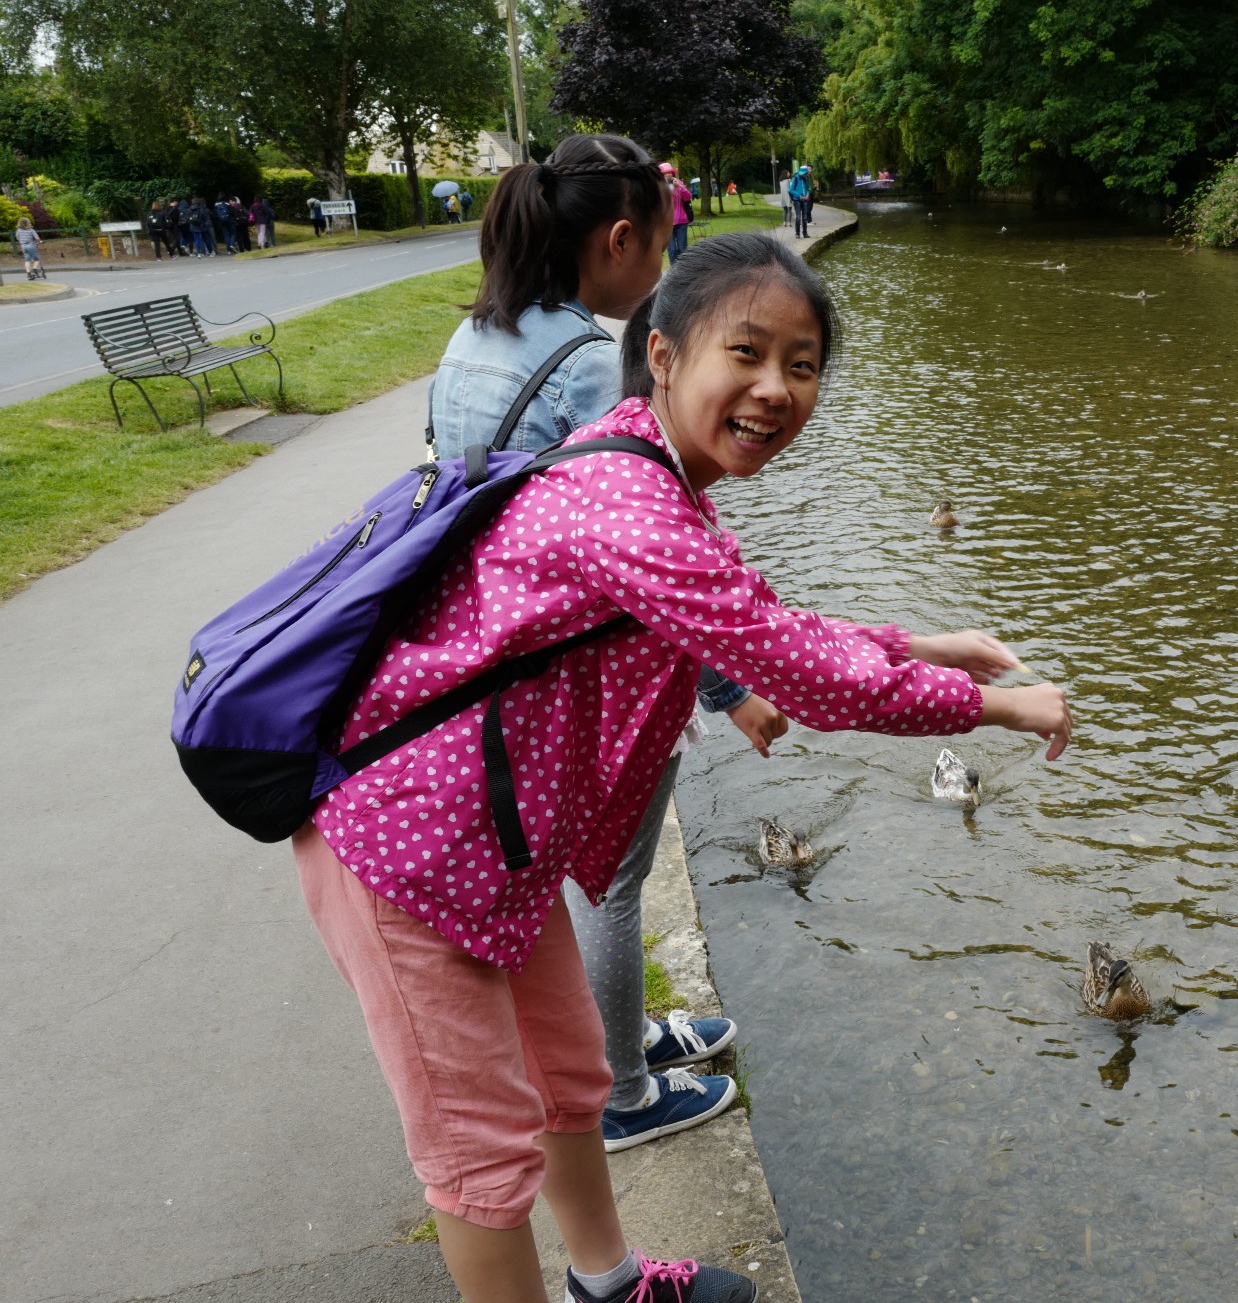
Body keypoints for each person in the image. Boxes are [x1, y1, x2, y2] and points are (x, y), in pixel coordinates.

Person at [298, 226, 1074, 1303]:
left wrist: (917, 644)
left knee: (572, 1074)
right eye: (746, 354)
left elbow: (754, 625)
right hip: (407, 851)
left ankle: (609, 1283)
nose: (775, 390)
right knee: (480, 1158)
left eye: (801, 366)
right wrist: (989, 704)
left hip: (497, 843)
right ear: (662, 356)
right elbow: (805, 678)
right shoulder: (628, 497)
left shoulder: (661, 479)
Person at [428, 132, 784, 1156]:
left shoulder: (474, 339)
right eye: (665, 248)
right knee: (611, 883)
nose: (667, 274)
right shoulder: (592, 365)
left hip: (501, 659)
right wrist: (732, 690)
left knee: (576, 882)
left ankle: (616, 1040)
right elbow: (667, 556)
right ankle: (623, 1093)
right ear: (620, 240)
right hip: (584, 676)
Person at [661, 162, 693, 265]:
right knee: (672, 250)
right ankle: (673, 272)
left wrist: (679, 186)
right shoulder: (660, 187)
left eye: (669, 173)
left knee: (682, 248)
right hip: (667, 223)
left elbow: (688, 197)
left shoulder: (678, 183)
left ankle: (683, 270)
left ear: (673, 174)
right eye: (665, 173)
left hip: (681, 221)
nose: (668, 175)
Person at [788, 164, 813, 239]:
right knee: (798, 217)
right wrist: (799, 196)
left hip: (804, 200)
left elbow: (807, 189)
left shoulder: (806, 179)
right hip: (797, 200)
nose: (805, 175)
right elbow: (791, 190)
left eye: (806, 174)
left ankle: (805, 233)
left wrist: (808, 194)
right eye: (805, 174)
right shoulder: (795, 178)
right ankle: (797, 233)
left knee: (805, 217)